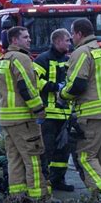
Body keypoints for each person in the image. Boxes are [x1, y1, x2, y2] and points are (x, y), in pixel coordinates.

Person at [59, 18, 101, 194]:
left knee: (86, 158)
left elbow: (77, 85)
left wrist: (62, 95)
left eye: (72, 34)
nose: (72, 38)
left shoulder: (81, 52)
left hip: (93, 114)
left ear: (79, 33)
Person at [0, 26, 58, 203]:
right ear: (14, 40)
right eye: (25, 37)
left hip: (8, 118)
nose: (29, 40)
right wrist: (39, 108)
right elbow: (27, 87)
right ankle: (40, 198)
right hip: (23, 118)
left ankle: (17, 196)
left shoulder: (2, 60)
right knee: (34, 157)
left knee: (14, 158)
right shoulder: (21, 58)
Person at [33, 28, 74, 192]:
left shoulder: (68, 59)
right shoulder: (42, 59)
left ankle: (58, 180)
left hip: (65, 114)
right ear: (57, 41)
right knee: (47, 150)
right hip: (48, 114)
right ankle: (45, 182)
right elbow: (34, 81)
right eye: (67, 40)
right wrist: (54, 87)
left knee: (63, 151)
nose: (69, 43)